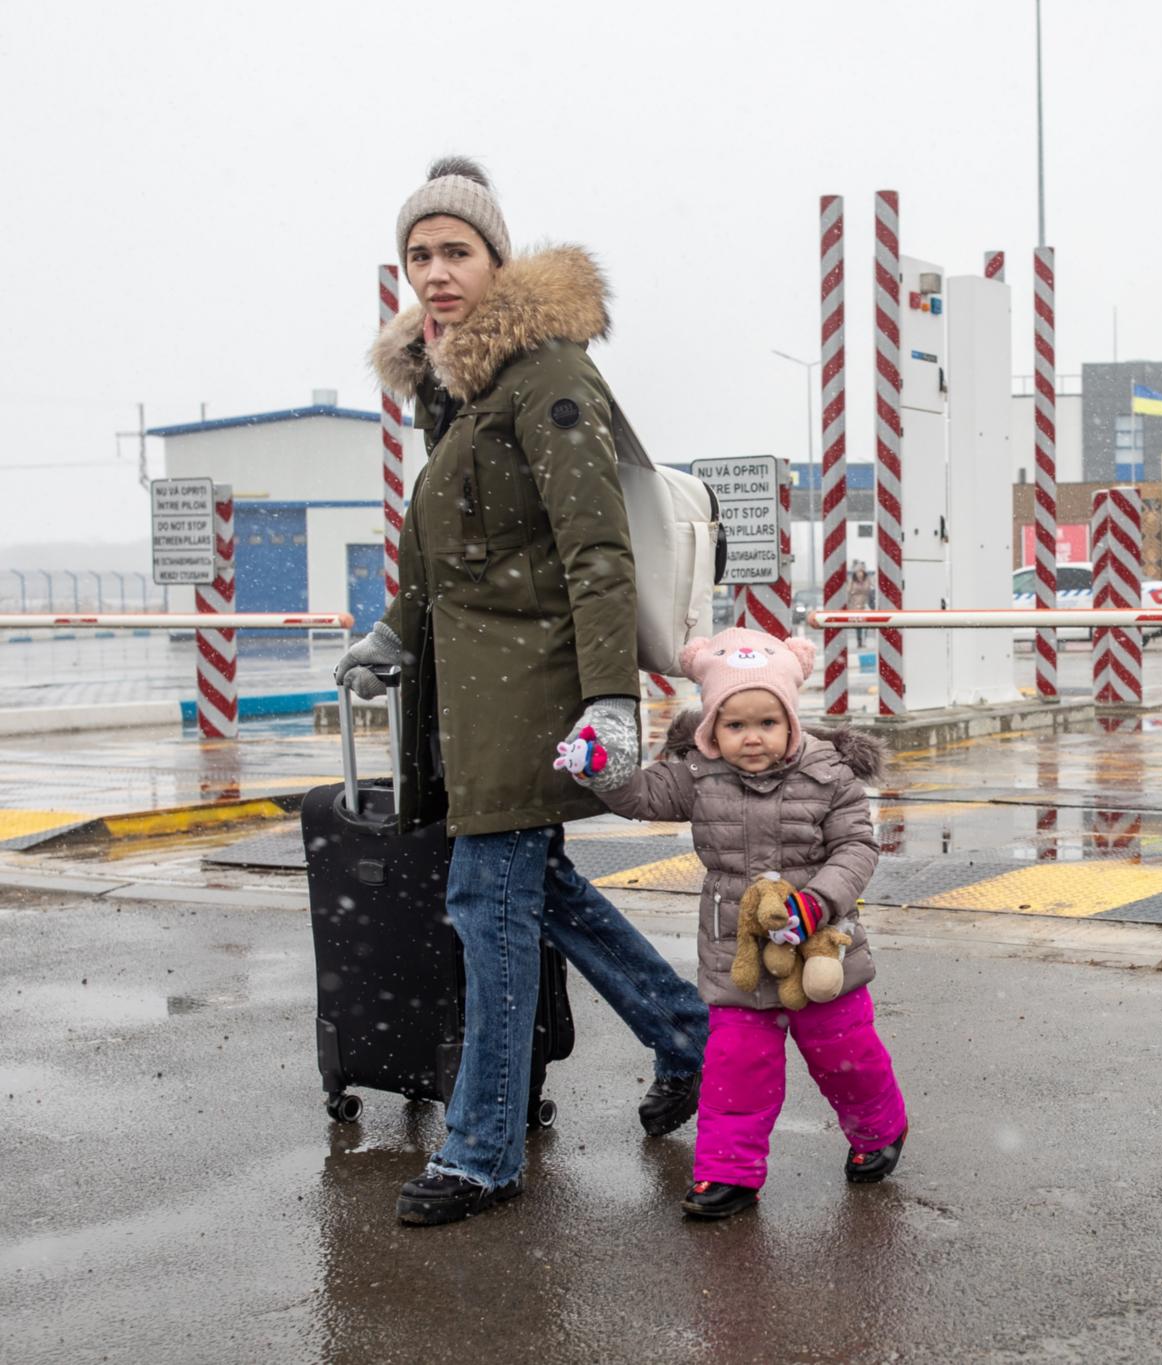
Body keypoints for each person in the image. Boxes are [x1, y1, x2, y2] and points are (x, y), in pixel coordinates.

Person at [334, 156, 708, 1227]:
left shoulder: (546, 376)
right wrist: (387, 634)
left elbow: (596, 553)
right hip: (468, 693)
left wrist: (608, 701)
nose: (436, 273)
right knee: (535, 892)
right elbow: (444, 560)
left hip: (532, 689)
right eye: (418, 256)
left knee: (486, 910)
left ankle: (483, 1148)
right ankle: (687, 1035)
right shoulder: (454, 390)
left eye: (456, 251)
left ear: (497, 257)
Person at [559, 627, 908, 1220]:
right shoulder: (698, 776)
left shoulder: (830, 775)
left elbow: (856, 849)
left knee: (845, 1054)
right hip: (736, 955)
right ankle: (728, 1174)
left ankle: (879, 1130)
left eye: (767, 723)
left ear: (791, 722)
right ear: (711, 730)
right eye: (735, 724)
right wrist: (601, 770)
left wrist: (817, 901)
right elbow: (640, 796)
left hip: (823, 947)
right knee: (736, 1068)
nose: (752, 737)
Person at [846, 562, 874, 647]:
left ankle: (864, 640)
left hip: (865, 604)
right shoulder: (852, 581)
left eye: (861, 571)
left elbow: (871, 590)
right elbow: (849, 592)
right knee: (858, 624)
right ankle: (859, 641)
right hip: (855, 605)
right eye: (858, 572)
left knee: (865, 623)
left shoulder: (868, 580)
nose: (860, 573)